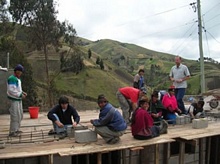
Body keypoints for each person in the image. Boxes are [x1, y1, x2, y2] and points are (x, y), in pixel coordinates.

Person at [7, 64, 27, 137]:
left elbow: (17, 89)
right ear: (16, 71)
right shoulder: (12, 78)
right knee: (15, 115)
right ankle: (12, 131)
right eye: (19, 71)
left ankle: (17, 129)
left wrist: (22, 92)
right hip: (13, 99)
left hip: (18, 99)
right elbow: (11, 90)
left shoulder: (18, 79)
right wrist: (20, 95)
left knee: (20, 115)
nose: (20, 73)